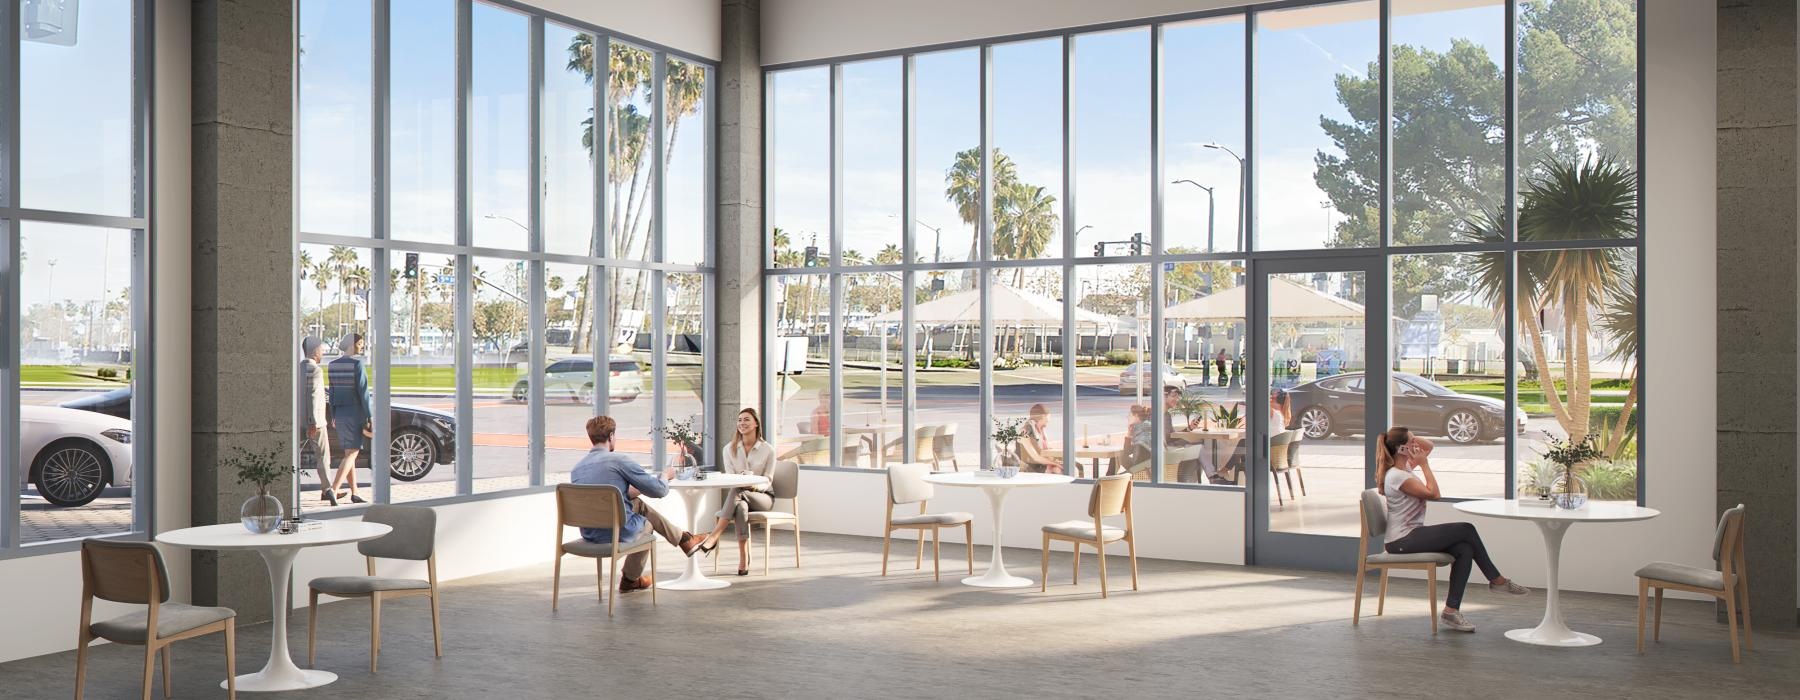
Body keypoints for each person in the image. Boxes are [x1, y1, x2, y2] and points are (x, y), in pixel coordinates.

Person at [1377, 427, 1530, 632]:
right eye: (1412, 442)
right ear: (1402, 449)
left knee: (1464, 549)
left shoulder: (1405, 468)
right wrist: (1425, 465)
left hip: (1412, 535)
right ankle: (1497, 580)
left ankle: (1451, 611)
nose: (1417, 445)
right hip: (1401, 541)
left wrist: (1409, 440)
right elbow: (1435, 494)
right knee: (1466, 529)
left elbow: (1429, 446)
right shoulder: (1399, 476)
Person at [570, 415, 707, 592]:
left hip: (590, 533)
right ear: (611, 436)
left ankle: (685, 539)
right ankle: (630, 578)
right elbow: (659, 491)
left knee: (637, 503)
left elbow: (606, 496)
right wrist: (666, 476)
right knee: (647, 525)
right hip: (615, 533)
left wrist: (636, 490)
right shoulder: (619, 460)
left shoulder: (577, 469)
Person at [697, 408, 776, 576]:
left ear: (756, 424)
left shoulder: (768, 449)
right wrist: (743, 482)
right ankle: (743, 557)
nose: (742, 423)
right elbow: (731, 478)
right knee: (740, 506)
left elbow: (768, 480)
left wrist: (752, 485)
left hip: (763, 497)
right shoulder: (729, 449)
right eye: (739, 420)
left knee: (739, 492)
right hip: (740, 496)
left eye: (746, 420)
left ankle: (714, 536)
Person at [325, 334, 372, 505]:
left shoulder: (332, 365)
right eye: (360, 343)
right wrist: (370, 415)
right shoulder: (357, 364)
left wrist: (335, 415)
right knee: (352, 454)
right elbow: (363, 392)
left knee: (348, 454)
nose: (362, 346)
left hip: (340, 414)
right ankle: (333, 489)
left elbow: (332, 392)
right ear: (352, 345)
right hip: (355, 413)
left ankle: (355, 493)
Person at [298, 336, 332, 505]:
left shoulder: (298, 369)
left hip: (298, 420)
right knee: (323, 456)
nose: (323, 352)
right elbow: (312, 396)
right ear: (315, 351)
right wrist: (313, 422)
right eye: (322, 349)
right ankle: (328, 490)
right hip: (315, 423)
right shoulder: (316, 370)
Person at [1163, 386, 1217, 484]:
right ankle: (1213, 477)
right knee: (1199, 448)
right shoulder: (1159, 415)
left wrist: (1189, 428)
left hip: (1169, 447)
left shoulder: (1166, 414)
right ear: (1163, 396)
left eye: (1177, 397)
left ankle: (1204, 478)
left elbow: (1171, 435)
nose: (1176, 399)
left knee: (1197, 446)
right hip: (1167, 450)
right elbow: (1168, 438)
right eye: (1173, 396)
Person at [1017, 403, 1065, 475]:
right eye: (1048, 417)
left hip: (1039, 464)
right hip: (1029, 466)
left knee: (1060, 468)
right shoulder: (1024, 432)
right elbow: (1036, 457)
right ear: (1043, 416)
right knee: (1058, 469)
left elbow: (1045, 450)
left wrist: (1055, 461)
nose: (1049, 420)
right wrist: (1055, 463)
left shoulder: (1040, 431)